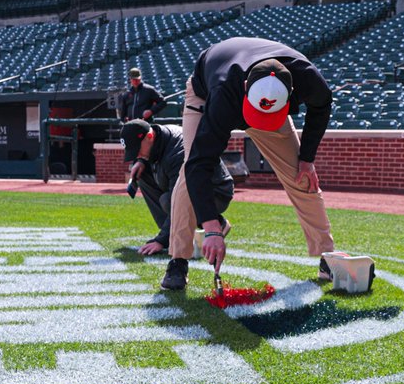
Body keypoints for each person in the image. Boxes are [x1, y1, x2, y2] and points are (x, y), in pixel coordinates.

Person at [160, 36, 337, 290]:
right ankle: (178, 260)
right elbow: (200, 164)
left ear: (291, 94)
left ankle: (327, 256)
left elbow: (321, 107)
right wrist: (211, 228)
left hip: (250, 91)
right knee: (189, 169)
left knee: (300, 174)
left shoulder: (308, 79)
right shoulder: (223, 96)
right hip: (206, 93)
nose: (261, 121)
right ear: (246, 86)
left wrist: (307, 159)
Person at [119, 119, 233, 257]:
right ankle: (175, 233)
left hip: (215, 192)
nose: (136, 155)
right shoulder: (157, 136)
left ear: (149, 136)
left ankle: (215, 224)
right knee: (142, 175)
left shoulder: (178, 152)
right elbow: (152, 150)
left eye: (137, 150)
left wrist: (161, 241)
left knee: (168, 200)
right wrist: (141, 160)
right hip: (194, 188)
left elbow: (178, 199)